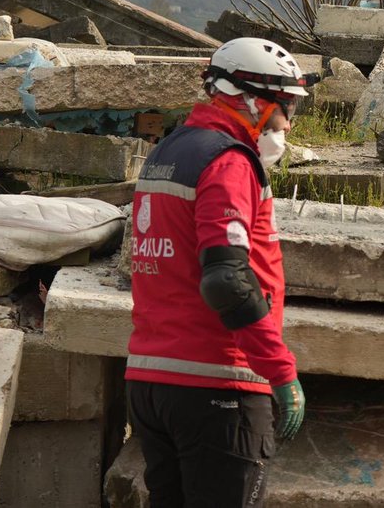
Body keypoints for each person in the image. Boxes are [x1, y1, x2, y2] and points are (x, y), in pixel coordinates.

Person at [125, 37, 317, 507]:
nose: (287, 122)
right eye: (284, 106)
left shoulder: (168, 152)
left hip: (151, 379)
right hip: (216, 382)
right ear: (252, 100)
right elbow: (226, 279)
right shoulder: (228, 162)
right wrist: (281, 372)